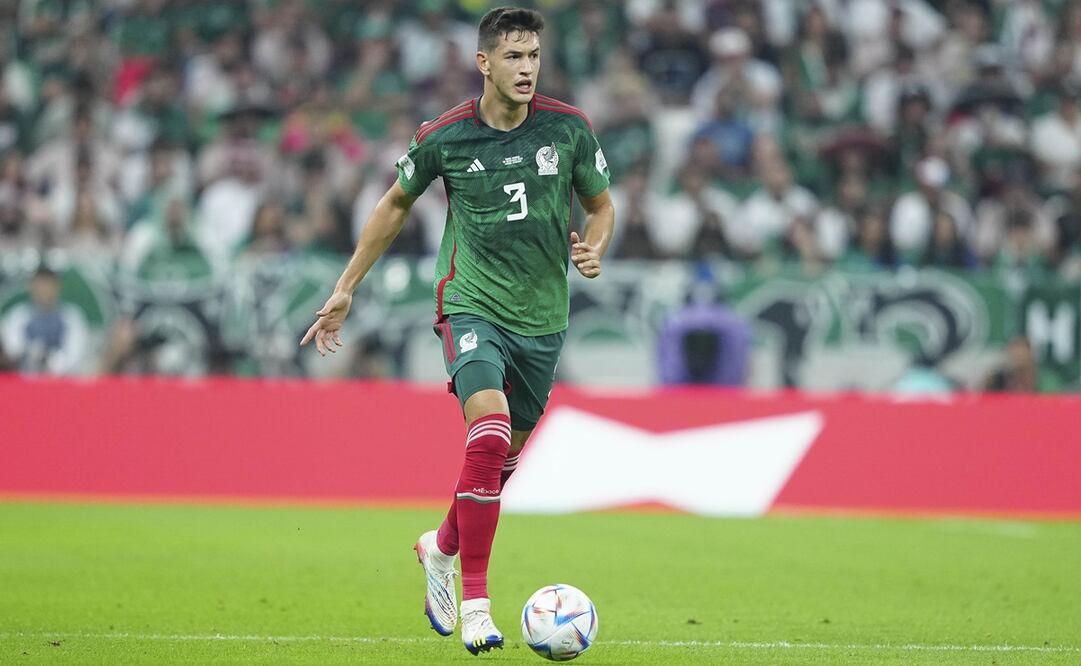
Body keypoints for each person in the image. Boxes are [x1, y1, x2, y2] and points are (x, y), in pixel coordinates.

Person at [299, 7, 614, 655]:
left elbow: (600, 205)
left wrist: (594, 248)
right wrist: (345, 287)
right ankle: (476, 603)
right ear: (484, 64)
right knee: (489, 430)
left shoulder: (570, 129)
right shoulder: (445, 137)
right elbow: (393, 205)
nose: (526, 68)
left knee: (500, 464)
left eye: (533, 56)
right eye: (514, 57)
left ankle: (439, 549)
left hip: (543, 320)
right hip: (469, 303)